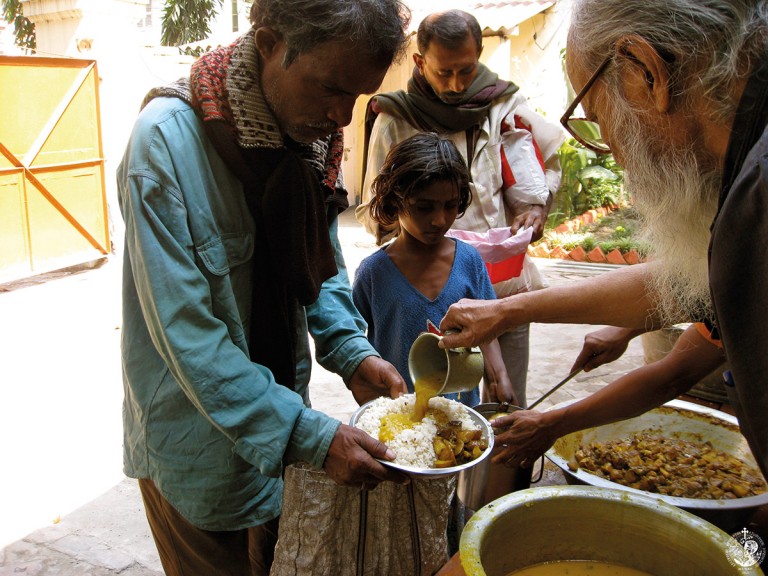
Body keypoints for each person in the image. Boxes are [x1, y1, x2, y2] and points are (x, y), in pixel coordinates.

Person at [116, 1, 412, 573]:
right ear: (271, 43)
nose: (342, 117)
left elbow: (316, 262)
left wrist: (350, 350)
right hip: (194, 442)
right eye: (329, 88)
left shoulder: (311, 145)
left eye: (357, 96)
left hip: (279, 426)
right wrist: (308, 435)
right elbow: (187, 335)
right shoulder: (163, 147)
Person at [439, 0, 768, 478]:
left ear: (644, 73)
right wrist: (506, 310)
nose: (612, 151)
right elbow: (689, 282)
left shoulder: (757, 199)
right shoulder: (746, 180)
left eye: (595, 117)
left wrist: (749, 545)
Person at [356, 9, 565, 408]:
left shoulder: (502, 103)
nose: (456, 85)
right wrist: (410, 237)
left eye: (466, 71)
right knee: (426, 399)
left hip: (502, 283)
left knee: (504, 402)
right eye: (444, 72)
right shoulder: (395, 118)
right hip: (423, 279)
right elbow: (375, 208)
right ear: (420, 62)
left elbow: (531, 166)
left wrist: (535, 208)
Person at [352, 132, 515, 408]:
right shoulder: (373, 274)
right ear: (395, 201)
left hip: (460, 411)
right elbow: (355, 342)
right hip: (399, 416)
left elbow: (486, 329)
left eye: (450, 205)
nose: (439, 220)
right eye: (423, 207)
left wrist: (498, 374)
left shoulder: (469, 262)